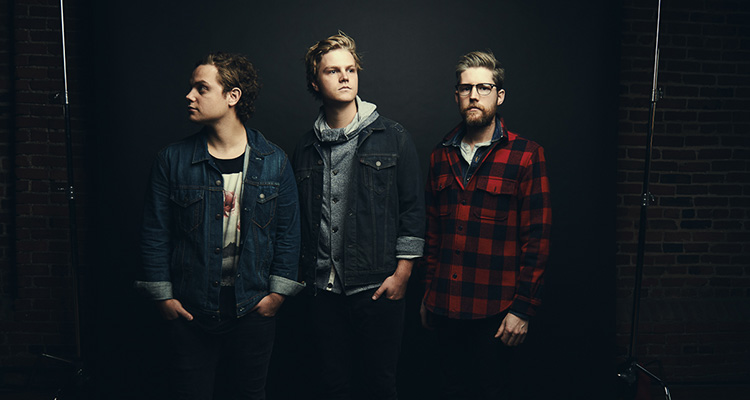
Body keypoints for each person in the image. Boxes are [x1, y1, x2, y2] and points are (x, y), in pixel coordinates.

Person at [136, 52, 303, 400]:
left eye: (202, 88)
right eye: (191, 87)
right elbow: (155, 233)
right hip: (190, 310)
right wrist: (163, 298)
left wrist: (276, 296)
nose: (189, 96)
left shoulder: (274, 161)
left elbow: (288, 234)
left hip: (253, 309)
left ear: (233, 96)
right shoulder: (172, 160)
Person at [291, 32, 425, 400]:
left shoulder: (393, 137)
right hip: (322, 292)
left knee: (379, 385)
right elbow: (298, 220)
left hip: (377, 288)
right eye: (333, 71)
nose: (345, 77)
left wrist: (402, 275)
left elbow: (413, 209)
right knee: (332, 385)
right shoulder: (304, 147)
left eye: (350, 69)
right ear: (315, 82)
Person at [420, 50, 552, 400]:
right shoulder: (440, 155)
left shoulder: (526, 155)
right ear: (457, 95)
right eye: (466, 88)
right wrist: (428, 294)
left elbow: (537, 238)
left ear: (499, 95)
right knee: (448, 391)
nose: (474, 95)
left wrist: (523, 309)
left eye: (483, 87)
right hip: (444, 307)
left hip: (496, 311)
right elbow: (432, 234)